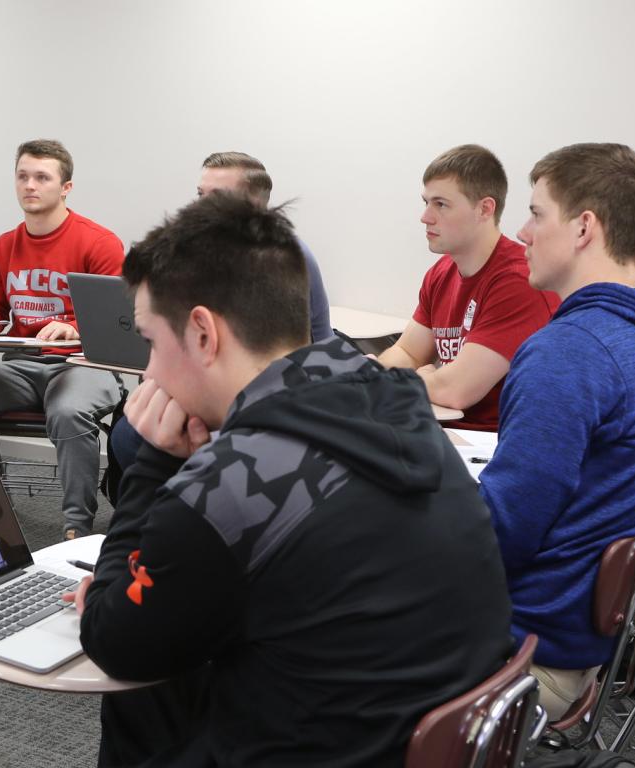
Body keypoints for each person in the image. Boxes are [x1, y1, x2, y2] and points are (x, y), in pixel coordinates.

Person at [73, 193, 512, 765]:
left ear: (204, 333)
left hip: (336, 746)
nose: (149, 372)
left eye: (151, 342)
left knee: (142, 696)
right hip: (434, 735)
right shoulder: (396, 405)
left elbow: (113, 642)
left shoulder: (225, 493)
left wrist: (155, 462)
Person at [479, 143, 635, 719]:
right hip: (578, 647)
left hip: (518, 654)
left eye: (535, 213)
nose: (522, 232)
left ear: (583, 227)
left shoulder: (571, 349)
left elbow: (505, 530)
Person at [0, 139, 124, 539]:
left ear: (66, 187)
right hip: (23, 366)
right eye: (23, 176)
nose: (30, 185)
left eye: (42, 177)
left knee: (68, 411)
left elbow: (117, 319)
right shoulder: (5, 246)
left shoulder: (99, 242)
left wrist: (76, 326)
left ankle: (77, 526)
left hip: (84, 365)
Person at [107, 150, 333, 475]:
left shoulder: (283, 257)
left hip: (273, 385)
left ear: (255, 205)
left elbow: (285, 351)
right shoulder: (205, 256)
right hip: (224, 376)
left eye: (217, 197)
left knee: (140, 434)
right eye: (200, 195)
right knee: (130, 427)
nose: (201, 206)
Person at [376, 144, 559, 430]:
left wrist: (407, 379)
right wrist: (372, 375)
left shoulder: (518, 281)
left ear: (485, 209)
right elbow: (409, 353)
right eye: (426, 202)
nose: (426, 217)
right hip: (443, 432)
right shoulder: (441, 272)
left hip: (493, 445)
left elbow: (455, 390)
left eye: (441, 204)